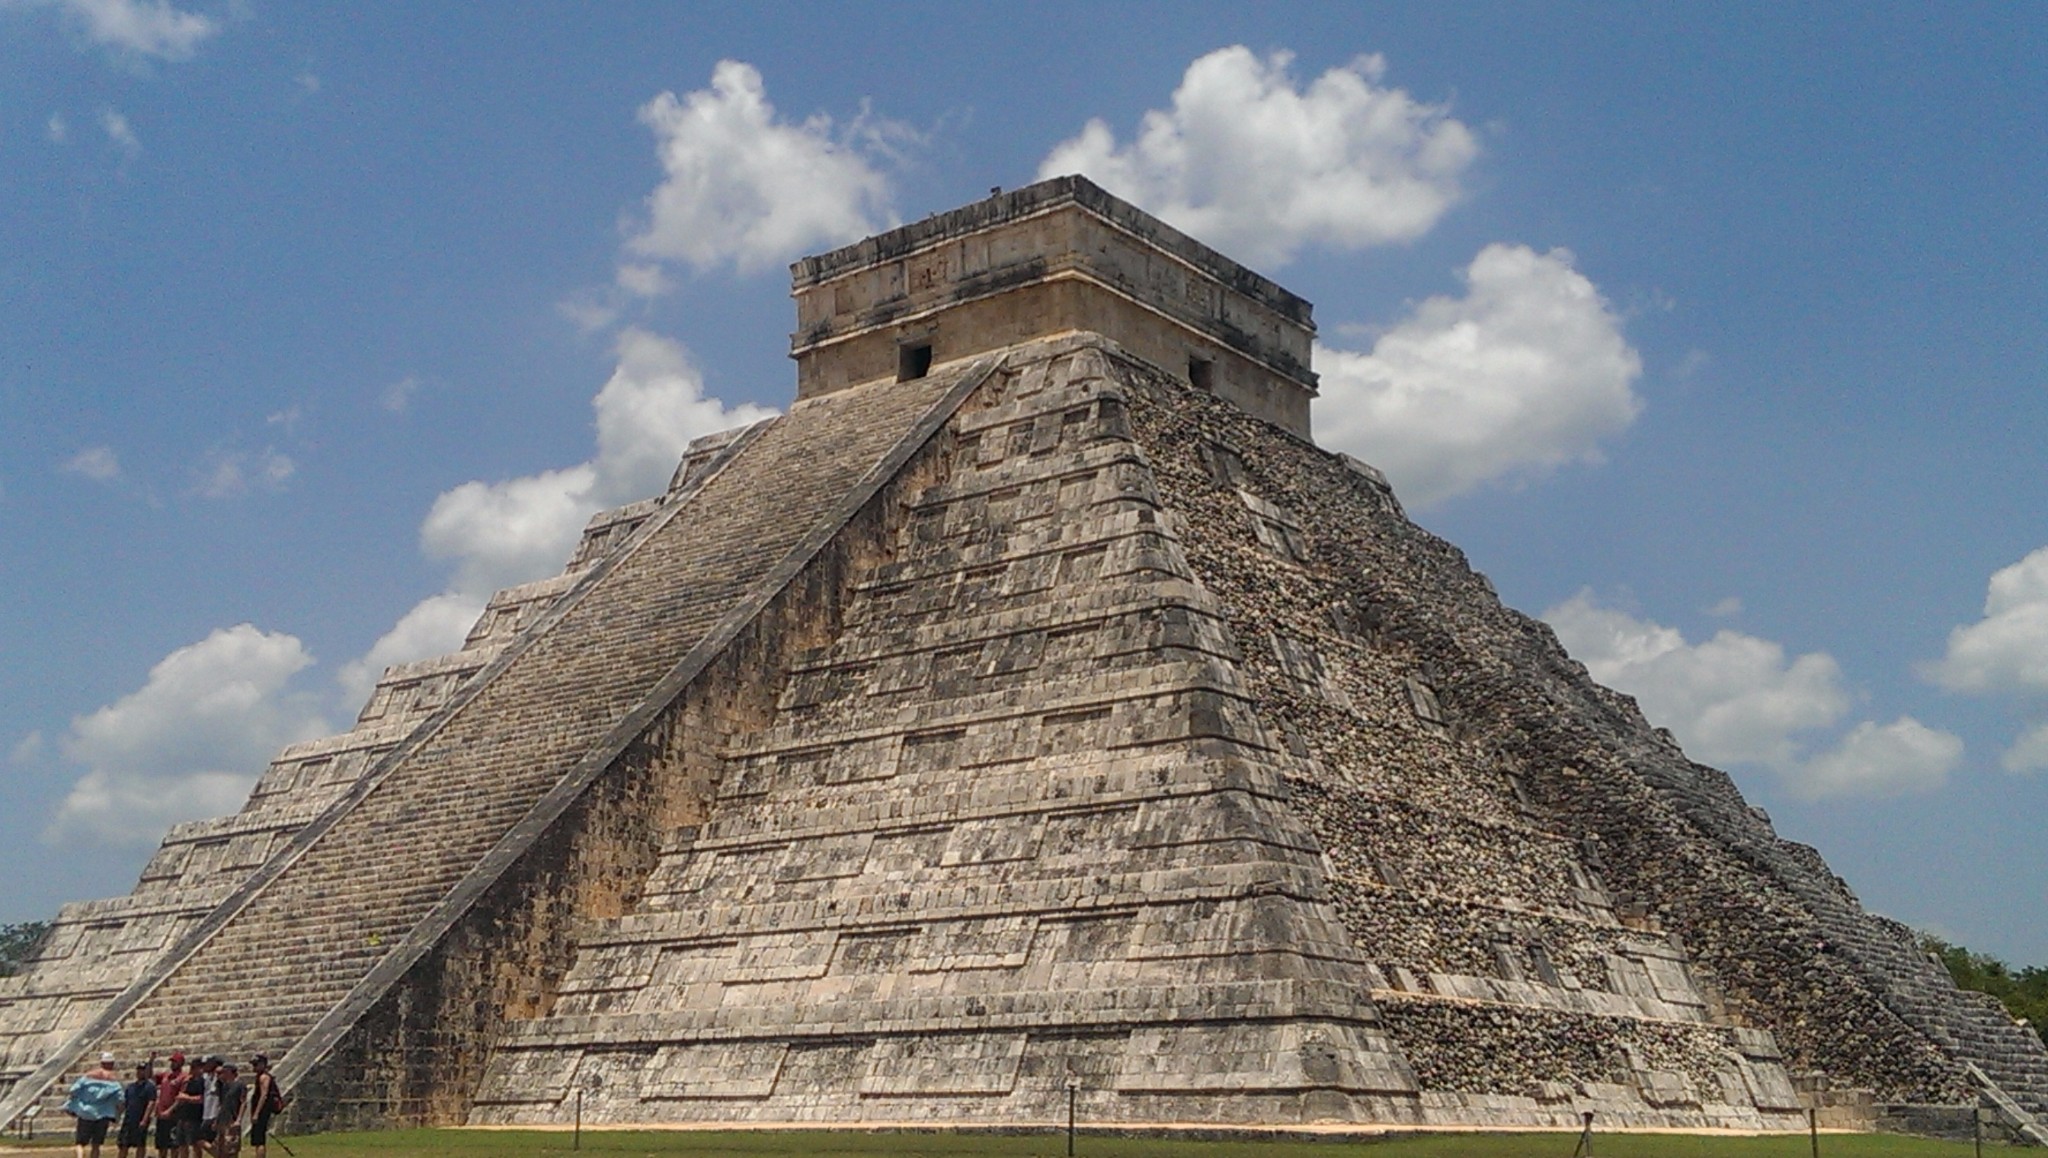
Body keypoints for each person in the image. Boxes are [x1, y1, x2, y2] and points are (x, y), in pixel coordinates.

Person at [61, 1051, 123, 1158]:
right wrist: (117, 1115)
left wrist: (72, 1103)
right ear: (111, 1063)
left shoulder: (89, 1075)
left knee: (80, 1143)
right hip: (102, 1115)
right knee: (96, 1145)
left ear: (101, 1063)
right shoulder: (113, 1080)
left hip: (86, 1113)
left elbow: (74, 1090)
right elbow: (120, 1099)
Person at [244, 1056, 284, 1158]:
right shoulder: (260, 1076)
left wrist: (256, 1113)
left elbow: (263, 1095)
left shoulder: (264, 1077)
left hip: (262, 1111)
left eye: (256, 1064)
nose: (254, 1067)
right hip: (261, 1111)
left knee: (259, 1140)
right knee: (258, 1139)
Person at [116, 1061, 156, 1158]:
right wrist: (117, 1115)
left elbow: (151, 1103)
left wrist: (144, 1119)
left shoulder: (149, 1087)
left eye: (143, 1070)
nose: (140, 1072)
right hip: (129, 1119)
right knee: (123, 1144)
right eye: (139, 1070)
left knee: (140, 1144)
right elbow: (125, 1103)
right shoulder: (131, 1087)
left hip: (140, 1119)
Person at [172, 1057, 210, 1158]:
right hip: (183, 1116)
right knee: (182, 1144)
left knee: (195, 1144)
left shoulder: (202, 1082)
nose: (191, 1069)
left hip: (194, 1117)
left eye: (194, 1067)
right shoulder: (188, 1081)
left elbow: (202, 1098)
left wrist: (187, 1098)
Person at [151, 1055, 186, 1158]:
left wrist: (170, 1110)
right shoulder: (165, 1076)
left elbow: (180, 1097)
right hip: (161, 1115)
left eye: (175, 1062)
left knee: (173, 1145)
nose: (172, 1064)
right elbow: (150, 1077)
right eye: (172, 1062)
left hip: (174, 1116)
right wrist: (151, 1061)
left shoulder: (183, 1077)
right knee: (162, 1145)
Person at [211, 1063, 246, 1158]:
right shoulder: (223, 1086)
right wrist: (216, 1120)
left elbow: (243, 1102)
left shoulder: (240, 1085)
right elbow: (221, 1104)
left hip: (232, 1120)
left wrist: (239, 1119)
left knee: (231, 1147)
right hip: (222, 1119)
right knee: (220, 1148)